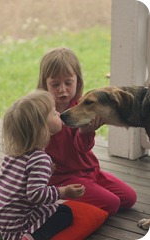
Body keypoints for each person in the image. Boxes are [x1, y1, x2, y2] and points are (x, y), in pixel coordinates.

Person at [37, 47, 137, 216]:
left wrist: (86, 131)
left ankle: (87, 192)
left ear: (78, 81)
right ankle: (55, 197)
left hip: (90, 171)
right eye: (55, 84)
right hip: (63, 177)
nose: (62, 89)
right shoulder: (41, 112)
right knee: (112, 203)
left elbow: (82, 148)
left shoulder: (81, 107)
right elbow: (28, 145)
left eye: (68, 82)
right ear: (44, 83)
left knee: (129, 198)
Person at [0, 90, 85, 240]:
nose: (59, 114)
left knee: (48, 208)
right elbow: (35, 195)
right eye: (54, 113)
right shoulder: (40, 158)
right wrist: (63, 192)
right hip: (17, 222)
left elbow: (14, 182)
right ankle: (31, 236)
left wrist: (47, 173)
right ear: (41, 128)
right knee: (64, 212)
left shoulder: (14, 152)